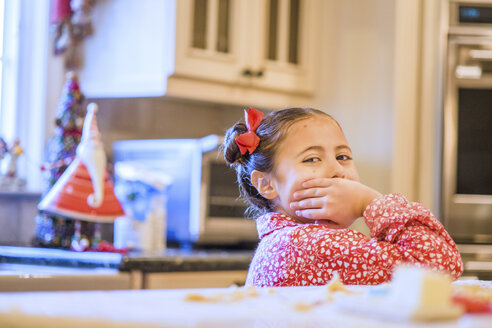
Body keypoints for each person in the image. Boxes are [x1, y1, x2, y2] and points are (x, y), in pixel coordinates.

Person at [223, 107, 463, 286]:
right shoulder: (303, 246)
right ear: (266, 184)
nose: (337, 170)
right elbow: (439, 269)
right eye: (311, 159)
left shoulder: (293, 241)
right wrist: (369, 202)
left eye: (343, 157)